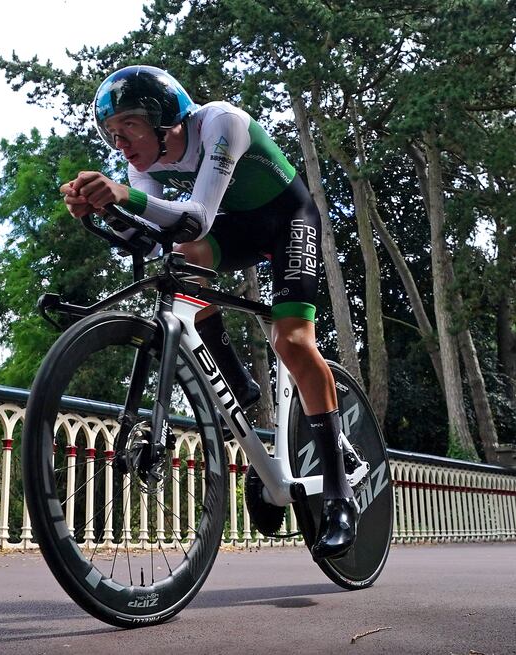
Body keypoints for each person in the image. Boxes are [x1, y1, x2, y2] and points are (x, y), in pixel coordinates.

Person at [60, 65, 356, 560]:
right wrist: (104, 211)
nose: (121, 144)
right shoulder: (143, 166)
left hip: (287, 222)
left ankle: (339, 496)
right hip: (231, 230)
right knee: (182, 262)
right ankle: (237, 380)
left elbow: (195, 216)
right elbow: (156, 237)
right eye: (113, 133)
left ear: (162, 119)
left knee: (292, 342)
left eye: (129, 126)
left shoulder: (221, 123)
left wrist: (124, 195)